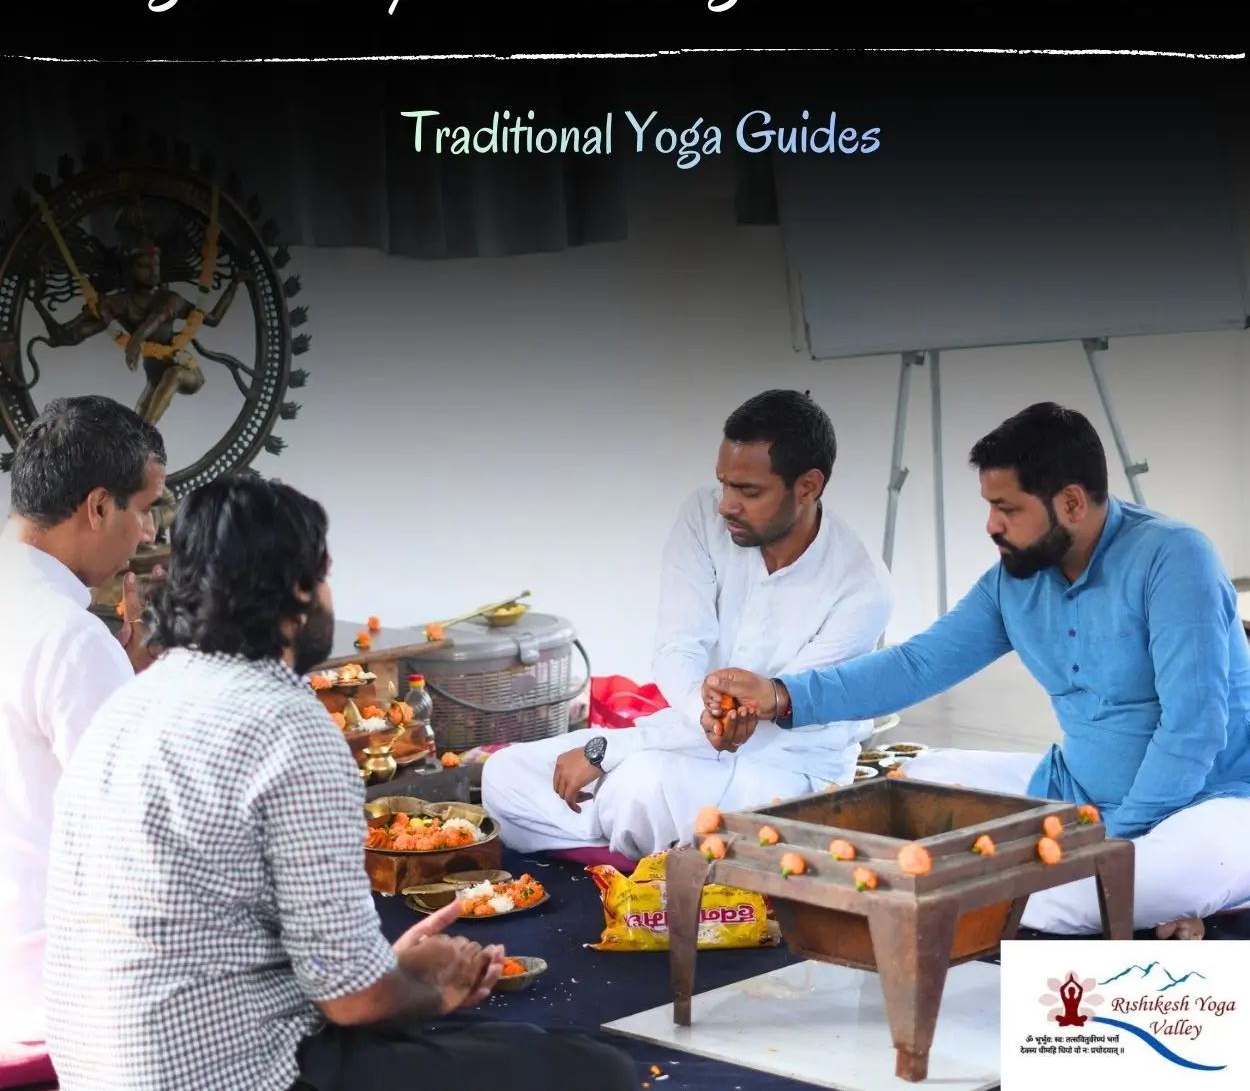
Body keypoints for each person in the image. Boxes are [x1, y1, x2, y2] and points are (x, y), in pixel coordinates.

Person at [43, 475, 637, 1091]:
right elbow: (354, 1003)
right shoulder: (287, 719)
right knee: (588, 1069)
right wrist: (436, 986)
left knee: (507, 1048)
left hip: (95, 1069)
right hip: (232, 1075)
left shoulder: (130, 703)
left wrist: (387, 968)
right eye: (324, 576)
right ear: (298, 591)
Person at [700, 402, 1250, 941]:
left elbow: (1193, 728)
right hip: (1075, 790)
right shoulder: (1018, 577)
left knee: (1104, 883)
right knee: (904, 793)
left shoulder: (1174, 560)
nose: (991, 525)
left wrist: (1109, 843)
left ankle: (1188, 892)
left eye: (1007, 509)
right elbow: (917, 665)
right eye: (990, 506)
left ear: (1073, 503)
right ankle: (1134, 900)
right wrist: (779, 695)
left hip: (1209, 804)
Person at [482, 389, 893, 860]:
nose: (726, 505)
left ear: (808, 486)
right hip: (684, 733)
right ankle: (647, 847)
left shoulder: (863, 587)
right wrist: (698, 716)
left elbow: (774, 715)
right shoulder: (703, 517)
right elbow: (678, 650)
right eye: (724, 484)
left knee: (642, 787)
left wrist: (607, 750)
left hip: (787, 769)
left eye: (749, 491)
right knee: (504, 773)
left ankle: (624, 838)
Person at [0, 395, 166, 1062]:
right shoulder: (71, 638)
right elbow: (144, 832)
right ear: (98, 507)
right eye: (145, 507)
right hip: (61, 1000)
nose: (150, 532)